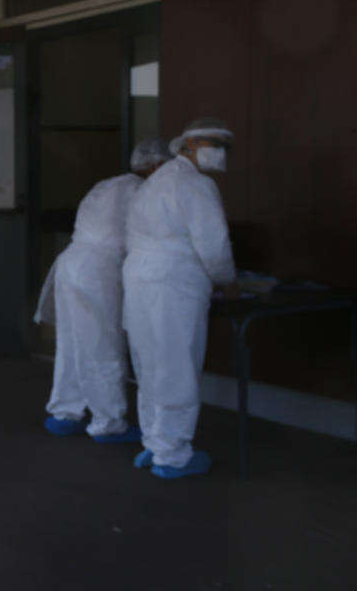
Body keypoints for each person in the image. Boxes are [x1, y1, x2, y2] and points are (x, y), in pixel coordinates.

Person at [34, 138, 171, 442]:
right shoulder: (144, 191)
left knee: (72, 343)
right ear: (157, 165)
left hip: (71, 263)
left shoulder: (108, 185)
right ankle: (108, 422)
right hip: (98, 273)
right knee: (102, 346)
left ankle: (65, 412)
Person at [123, 118, 237, 479]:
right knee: (176, 367)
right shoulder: (196, 185)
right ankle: (172, 456)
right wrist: (228, 281)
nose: (218, 152)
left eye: (223, 146)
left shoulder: (154, 182)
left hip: (140, 281)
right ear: (186, 145)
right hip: (175, 284)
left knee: (151, 365)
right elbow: (214, 245)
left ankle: (155, 443)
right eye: (211, 143)